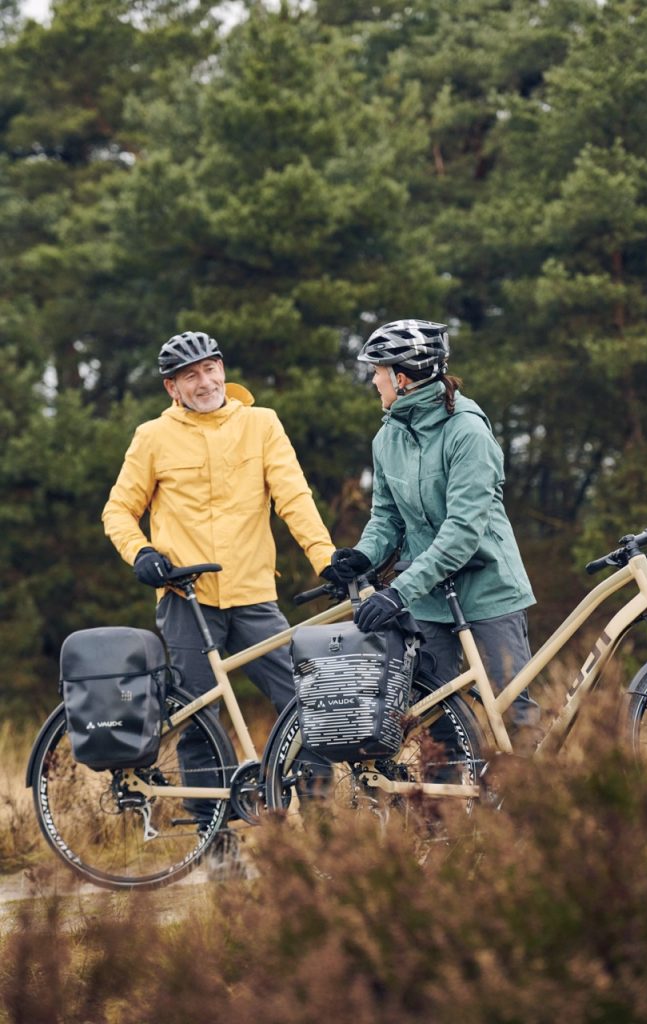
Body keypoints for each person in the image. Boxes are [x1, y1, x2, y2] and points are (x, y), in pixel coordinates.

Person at [102, 329, 336, 832]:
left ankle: (322, 827)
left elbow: (294, 498)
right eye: (191, 375)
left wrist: (326, 559)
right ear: (173, 388)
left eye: (211, 369)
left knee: (306, 700)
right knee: (197, 719)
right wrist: (139, 551)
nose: (205, 381)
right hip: (187, 600)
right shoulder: (152, 437)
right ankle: (216, 835)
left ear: (223, 369)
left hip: (253, 596)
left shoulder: (261, 424)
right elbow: (118, 510)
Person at [327, 318, 540, 742]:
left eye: (376, 372)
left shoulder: (468, 432)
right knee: (433, 720)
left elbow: (461, 533)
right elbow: (387, 516)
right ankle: (442, 809)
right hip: (428, 598)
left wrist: (398, 593)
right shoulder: (387, 437)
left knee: (513, 713)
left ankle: (525, 805)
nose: (373, 381)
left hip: (488, 588)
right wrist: (363, 555)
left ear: (401, 378)